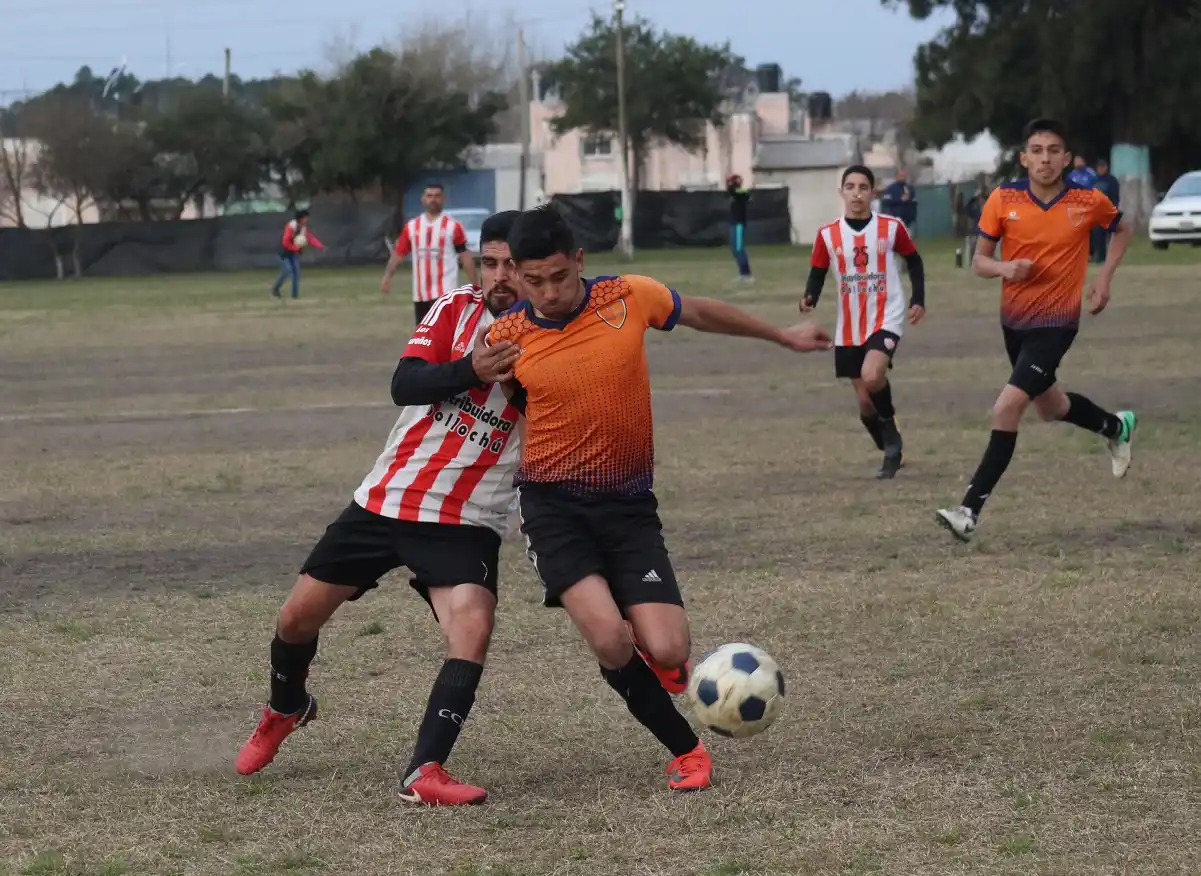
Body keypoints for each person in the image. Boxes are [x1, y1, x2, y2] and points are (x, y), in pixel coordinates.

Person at [486, 206, 831, 791]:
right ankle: (687, 749)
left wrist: (782, 334)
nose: (548, 292)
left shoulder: (628, 297)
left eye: (560, 277)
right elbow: (509, 410)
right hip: (553, 510)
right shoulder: (506, 337)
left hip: (627, 507)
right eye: (534, 281)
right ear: (516, 273)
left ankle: (653, 648)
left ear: (579, 262)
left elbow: (700, 312)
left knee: (669, 648)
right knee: (609, 639)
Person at [236, 211, 526, 806]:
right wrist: (471, 370)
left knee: (472, 627)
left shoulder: (557, 336)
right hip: (388, 498)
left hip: (465, 516)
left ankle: (425, 771)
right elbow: (404, 383)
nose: (499, 277)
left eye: (513, 266)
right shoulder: (455, 308)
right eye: (490, 262)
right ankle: (286, 708)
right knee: (295, 619)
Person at [935, 119, 1136, 542]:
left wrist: (1104, 279)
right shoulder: (1002, 199)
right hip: (1014, 322)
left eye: (1054, 151)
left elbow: (1122, 229)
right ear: (1024, 158)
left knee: (1007, 407)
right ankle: (1116, 428)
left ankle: (968, 511)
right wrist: (1005, 267)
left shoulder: (1087, 200)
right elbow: (979, 262)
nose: (1046, 159)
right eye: (1038, 151)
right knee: (1051, 407)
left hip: (1057, 324)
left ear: (1067, 159)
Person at [801, 165, 926, 479]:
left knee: (872, 375)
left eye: (863, 187)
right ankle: (889, 446)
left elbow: (913, 260)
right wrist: (810, 297)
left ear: (873, 192)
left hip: (887, 315)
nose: (856, 194)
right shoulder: (828, 235)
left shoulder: (891, 227)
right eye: (850, 187)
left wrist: (918, 298)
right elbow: (817, 272)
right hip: (850, 325)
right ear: (841, 192)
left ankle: (893, 444)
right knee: (865, 404)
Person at [381, 183, 480, 324]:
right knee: (423, 333)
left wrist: (476, 285)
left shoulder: (453, 226)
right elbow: (399, 254)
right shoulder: (412, 227)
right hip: (421, 293)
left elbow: (465, 257)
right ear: (423, 199)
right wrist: (387, 276)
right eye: (429, 196)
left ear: (443, 199)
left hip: (446, 292)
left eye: (437, 196)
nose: (433, 199)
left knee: (445, 332)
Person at [271, 209, 324, 299]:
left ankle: (295, 295)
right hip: (284, 253)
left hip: (294, 253)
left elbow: (310, 238)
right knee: (287, 270)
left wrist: (320, 246)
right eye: (305, 218)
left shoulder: (303, 228)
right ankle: (275, 290)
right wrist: (295, 248)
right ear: (300, 218)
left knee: (296, 273)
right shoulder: (291, 226)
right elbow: (285, 242)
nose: (307, 220)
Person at [1092, 158, 1121, 264]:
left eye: (1102, 167)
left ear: (1106, 167)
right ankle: (1100, 257)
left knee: (1111, 236)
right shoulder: (1095, 180)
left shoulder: (1112, 180)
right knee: (1098, 235)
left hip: (1109, 211)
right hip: (1097, 212)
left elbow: (1115, 197)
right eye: (1099, 167)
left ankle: (1112, 257)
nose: (1100, 169)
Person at [726, 174, 753, 282]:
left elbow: (733, 190)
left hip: (739, 224)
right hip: (735, 223)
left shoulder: (742, 192)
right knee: (735, 249)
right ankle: (743, 273)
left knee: (738, 248)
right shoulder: (735, 192)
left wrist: (731, 182)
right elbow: (730, 191)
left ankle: (746, 274)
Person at [878, 168, 917, 238]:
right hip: (895, 220)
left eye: (904, 176)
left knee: (908, 240)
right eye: (901, 175)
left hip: (908, 221)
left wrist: (912, 215)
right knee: (896, 240)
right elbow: (886, 201)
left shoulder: (910, 188)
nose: (903, 177)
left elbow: (914, 202)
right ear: (896, 176)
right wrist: (900, 200)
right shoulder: (891, 188)